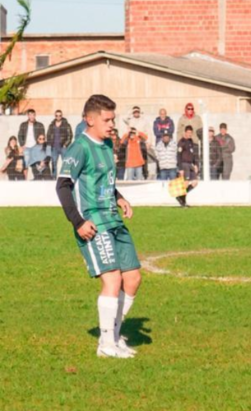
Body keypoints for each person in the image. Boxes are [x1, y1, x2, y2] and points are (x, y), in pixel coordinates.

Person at [56, 94, 142, 359]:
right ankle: (106, 344)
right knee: (113, 279)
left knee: (133, 278)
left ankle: (115, 336)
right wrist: (78, 222)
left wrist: (120, 198)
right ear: (89, 120)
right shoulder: (79, 148)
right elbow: (63, 186)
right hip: (93, 223)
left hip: (113, 219)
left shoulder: (106, 145)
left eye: (113, 119)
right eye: (107, 119)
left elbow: (104, 180)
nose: (112, 124)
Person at [47, 110, 74, 178]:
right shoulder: (51, 125)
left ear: (62, 116)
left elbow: (70, 135)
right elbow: (48, 135)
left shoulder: (66, 125)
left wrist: (65, 144)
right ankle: (53, 177)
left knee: (65, 163)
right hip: (54, 147)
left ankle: (65, 177)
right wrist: (50, 144)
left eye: (60, 115)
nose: (58, 117)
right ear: (55, 116)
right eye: (57, 115)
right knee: (53, 163)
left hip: (63, 147)